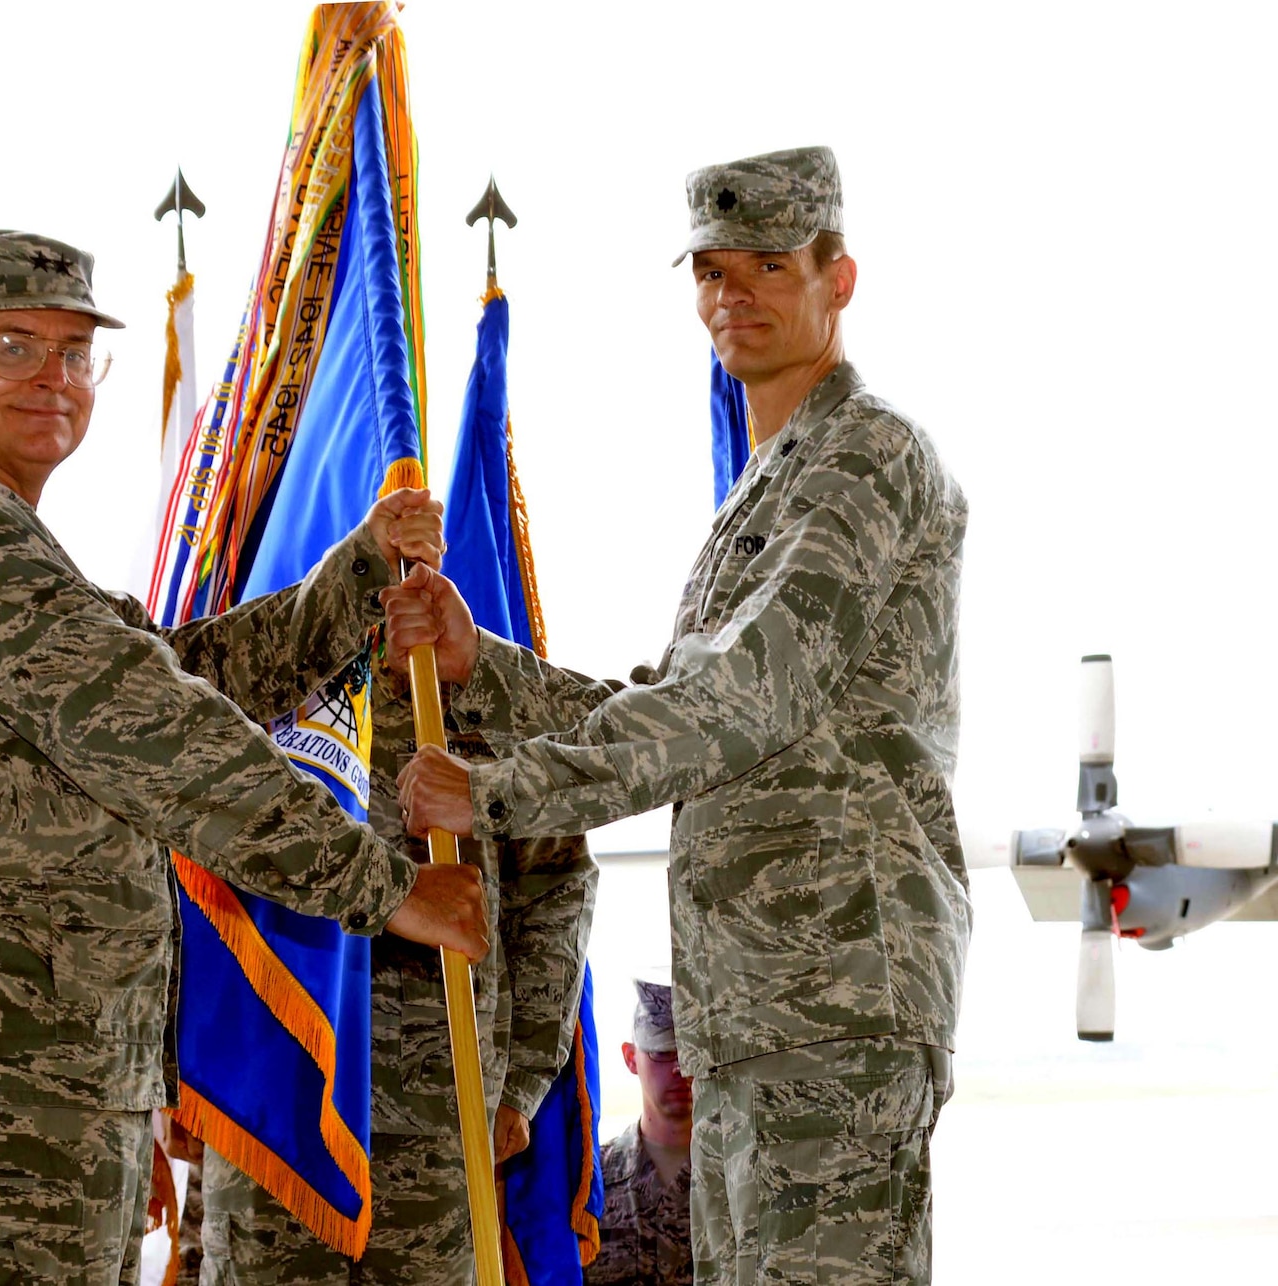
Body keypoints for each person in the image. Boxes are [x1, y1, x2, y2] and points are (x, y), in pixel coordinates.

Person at [0, 228, 490, 1286]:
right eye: (10, 346)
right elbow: (158, 732)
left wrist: (357, 575)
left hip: (47, 1078)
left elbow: (180, 675)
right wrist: (386, 888)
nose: (52, 378)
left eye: (74, 352)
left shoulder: (3, 532)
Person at [394, 146, 971, 1285]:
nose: (731, 295)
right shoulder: (770, 479)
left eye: (766, 264)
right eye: (710, 270)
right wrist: (481, 667)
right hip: (761, 1003)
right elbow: (672, 700)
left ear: (836, 278)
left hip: (833, 1000)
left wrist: (499, 792)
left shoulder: (865, 457)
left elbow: (742, 696)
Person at [198, 648, 597, 1284]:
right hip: (275, 1097)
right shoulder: (267, 662)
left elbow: (553, 893)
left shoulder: (484, 690)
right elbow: (193, 851)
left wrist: (523, 1080)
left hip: (438, 1115)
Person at [588, 979, 694, 1286]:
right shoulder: (592, 1183)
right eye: (662, 1052)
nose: (679, 1068)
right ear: (631, 1058)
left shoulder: (738, 1174)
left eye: (688, 1053)